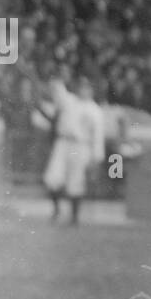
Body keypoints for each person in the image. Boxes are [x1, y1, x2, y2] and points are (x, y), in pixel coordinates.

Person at [41, 75, 104, 225]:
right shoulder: (69, 101)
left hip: (81, 145)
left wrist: (96, 157)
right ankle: (56, 211)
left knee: (76, 182)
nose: (84, 90)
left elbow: (98, 136)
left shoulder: (95, 110)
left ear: (92, 90)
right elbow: (57, 89)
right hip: (63, 142)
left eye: (87, 87)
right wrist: (56, 80)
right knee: (53, 177)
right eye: (81, 87)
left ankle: (74, 217)